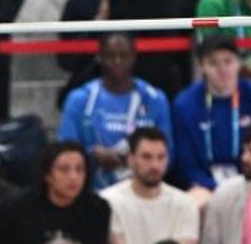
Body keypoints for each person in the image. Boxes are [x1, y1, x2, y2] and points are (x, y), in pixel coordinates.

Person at [58, 33, 173, 191]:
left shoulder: (154, 99)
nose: (117, 62)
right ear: (99, 57)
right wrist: (91, 156)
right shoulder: (79, 99)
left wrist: (137, 159)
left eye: (124, 56)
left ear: (134, 57)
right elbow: (63, 153)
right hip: (92, 192)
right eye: (110, 56)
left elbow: (169, 154)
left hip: (143, 190)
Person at [172, 35, 251, 199]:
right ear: (202, 66)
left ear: (239, 63)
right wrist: (216, 189)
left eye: (228, 61)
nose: (222, 69)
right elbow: (187, 164)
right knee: (197, 201)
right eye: (213, 63)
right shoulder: (184, 105)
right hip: (204, 188)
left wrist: (245, 185)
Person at [101, 129, 199, 244]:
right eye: (147, 157)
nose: (155, 165)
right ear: (131, 160)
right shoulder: (108, 201)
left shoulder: (185, 204)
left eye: (161, 158)